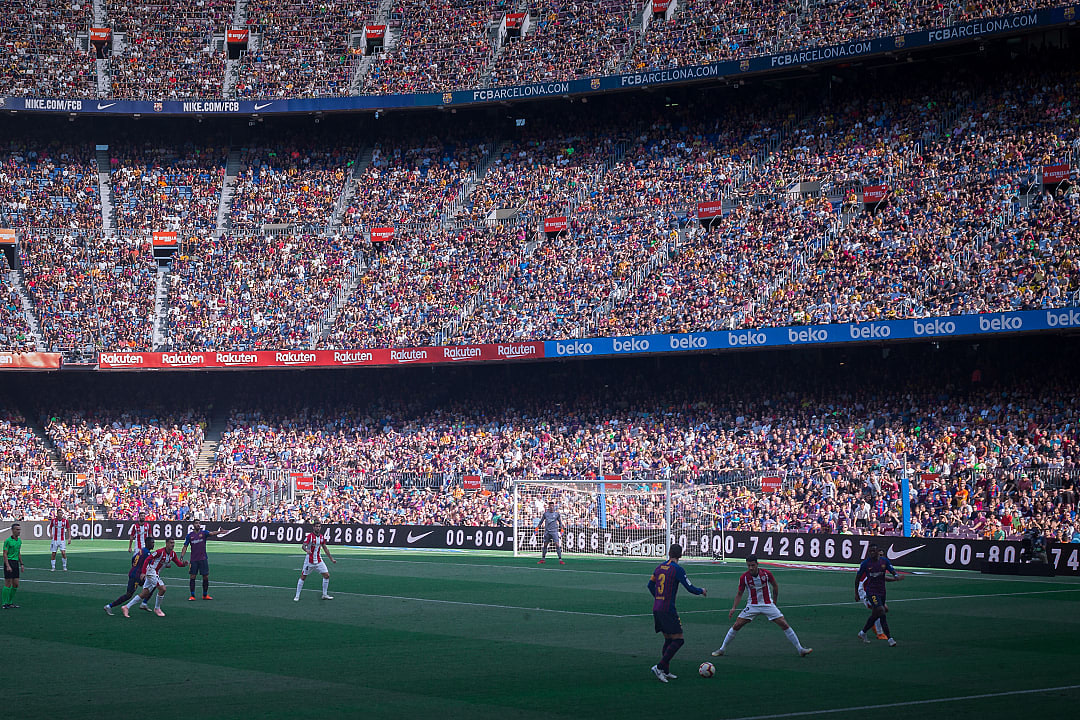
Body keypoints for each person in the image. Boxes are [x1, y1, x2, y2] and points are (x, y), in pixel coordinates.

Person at [712, 556, 812, 657]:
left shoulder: (766, 574)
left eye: (753, 565)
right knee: (737, 625)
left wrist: (774, 602)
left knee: (783, 623)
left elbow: (775, 586)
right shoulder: (744, 577)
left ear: (757, 564)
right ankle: (722, 649)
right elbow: (739, 593)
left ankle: (800, 649)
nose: (751, 568)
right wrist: (733, 607)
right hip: (752, 605)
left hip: (767, 604)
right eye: (748, 566)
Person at [648, 543, 707, 682]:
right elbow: (690, 587)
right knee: (679, 639)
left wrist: (658, 597)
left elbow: (650, 585)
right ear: (680, 555)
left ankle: (666, 671)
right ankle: (659, 667)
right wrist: (701, 591)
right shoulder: (677, 569)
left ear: (669, 553)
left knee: (669, 639)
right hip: (667, 609)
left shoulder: (659, 567)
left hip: (657, 607)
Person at [121, 538, 187, 617]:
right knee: (162, 589)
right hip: (151, 571)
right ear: (166, 543)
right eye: (171, 543)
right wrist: (143, 572)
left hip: (156, 573)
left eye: (173, 543)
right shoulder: (159, 552)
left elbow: (178, 564)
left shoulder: (173, 554)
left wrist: (183, 564)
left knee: (144, 593)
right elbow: (147, 560)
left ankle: (126, 607)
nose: (172, 545)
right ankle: (157, 608)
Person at [855, 543, 901, 646]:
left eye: (875, 551)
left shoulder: (884, 562)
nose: (873, 553)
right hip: (867, 591)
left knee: (879, 611)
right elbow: (859, 579)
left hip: (881, 591)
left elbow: (886, 575)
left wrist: (896, 577)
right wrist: (856, 593)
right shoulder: (866, 564)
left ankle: (863, 632)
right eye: (870, 551)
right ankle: (887, 637)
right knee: (880, 610)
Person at [180, 519, 227, 601]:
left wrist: (219, 532)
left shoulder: (204, 533)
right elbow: (185, 546)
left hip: (203, 559)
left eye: (199, 523)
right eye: (196, 523)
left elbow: (212, 533)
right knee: (192, 577)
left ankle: (205, 595)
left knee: (205, 577)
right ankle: (192, 595)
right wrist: (182, 556)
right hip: (194, 559)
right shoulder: (189, 535)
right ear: (193, 525)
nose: (198, 525)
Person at [105, 538, 154, 615]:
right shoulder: (147, 553)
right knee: (128, 595)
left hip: (135, 573)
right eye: (152, 543)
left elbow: (133, 558)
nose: (153, 544)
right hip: (136, 576)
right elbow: (152, 564)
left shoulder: (141, 550)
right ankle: (109, 606)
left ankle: (144, 603)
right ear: (147, 543)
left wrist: (135, 567)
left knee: (152, 584)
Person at [294, 520, 336, 601]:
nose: (318, 528)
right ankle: (297, 595)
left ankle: (324, 594)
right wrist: (307, 550)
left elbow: (325, 548)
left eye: (319, 526)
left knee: (327, 575)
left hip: (319, 561)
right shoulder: (309, 536)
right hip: (309, 561)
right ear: (313, 527)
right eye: (316, 526)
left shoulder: (321, 537)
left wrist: (331, 559)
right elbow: (303, 546)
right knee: (303, 577)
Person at [857, 573, 888, 640]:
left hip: (873, 590)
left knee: (883, 609)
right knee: (879, 609)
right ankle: (879, 633)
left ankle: (872, 624)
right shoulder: (867, 565)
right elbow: (857, 578)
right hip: (864, 591)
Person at [2, 524, 23, 609]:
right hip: (9, 562)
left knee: (16, 584)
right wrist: (7, 565)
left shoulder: (19, 541)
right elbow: (5, 554)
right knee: (8, 583)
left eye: (19, 529)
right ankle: (4, 603)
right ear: (13, 530)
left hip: (15, 563)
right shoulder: (8, 541)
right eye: (17, 529)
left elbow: (18, 553)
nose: (19, 531)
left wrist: (21, 564)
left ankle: (10, 602)